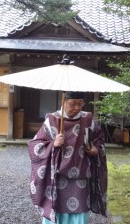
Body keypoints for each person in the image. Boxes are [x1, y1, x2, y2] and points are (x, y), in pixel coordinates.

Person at [28, 91, 107, 224]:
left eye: (80, 104)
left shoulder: (88, 120)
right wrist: (53, 144)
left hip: (80, 178)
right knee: (57, 211)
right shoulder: (51, 121)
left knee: (80, 213)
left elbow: (99, 141)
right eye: (72, 104)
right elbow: (35, 146)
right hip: (57, 179)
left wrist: (95, 150)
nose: (77, 108)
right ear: (63, 102)